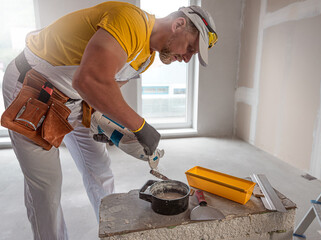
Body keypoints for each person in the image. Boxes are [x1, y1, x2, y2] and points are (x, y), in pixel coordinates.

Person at [2, 1, 218, 239]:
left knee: (100, 171)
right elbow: (89, 81)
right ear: (179, 24)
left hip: (77, 101)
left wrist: (108, 125)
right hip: (34, 91)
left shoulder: (146, 58)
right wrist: (140, 126)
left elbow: (106, 90)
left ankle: (110, 233)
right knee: (46, 188)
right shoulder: (129, 20)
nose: (187, 58)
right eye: (190, 48)